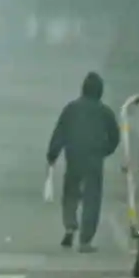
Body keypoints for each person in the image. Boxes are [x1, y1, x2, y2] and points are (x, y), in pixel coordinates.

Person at [46, 71, 120, 252]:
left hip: (74, 157)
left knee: (71, 193)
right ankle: (85, 240)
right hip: (94, 160)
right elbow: (115, 137)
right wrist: (104, 150)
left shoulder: (71, 109)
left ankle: (70, 225)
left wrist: (52, 154)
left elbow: (60, 132)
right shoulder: (105, 112)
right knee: (91, 199)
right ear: (100, 92)